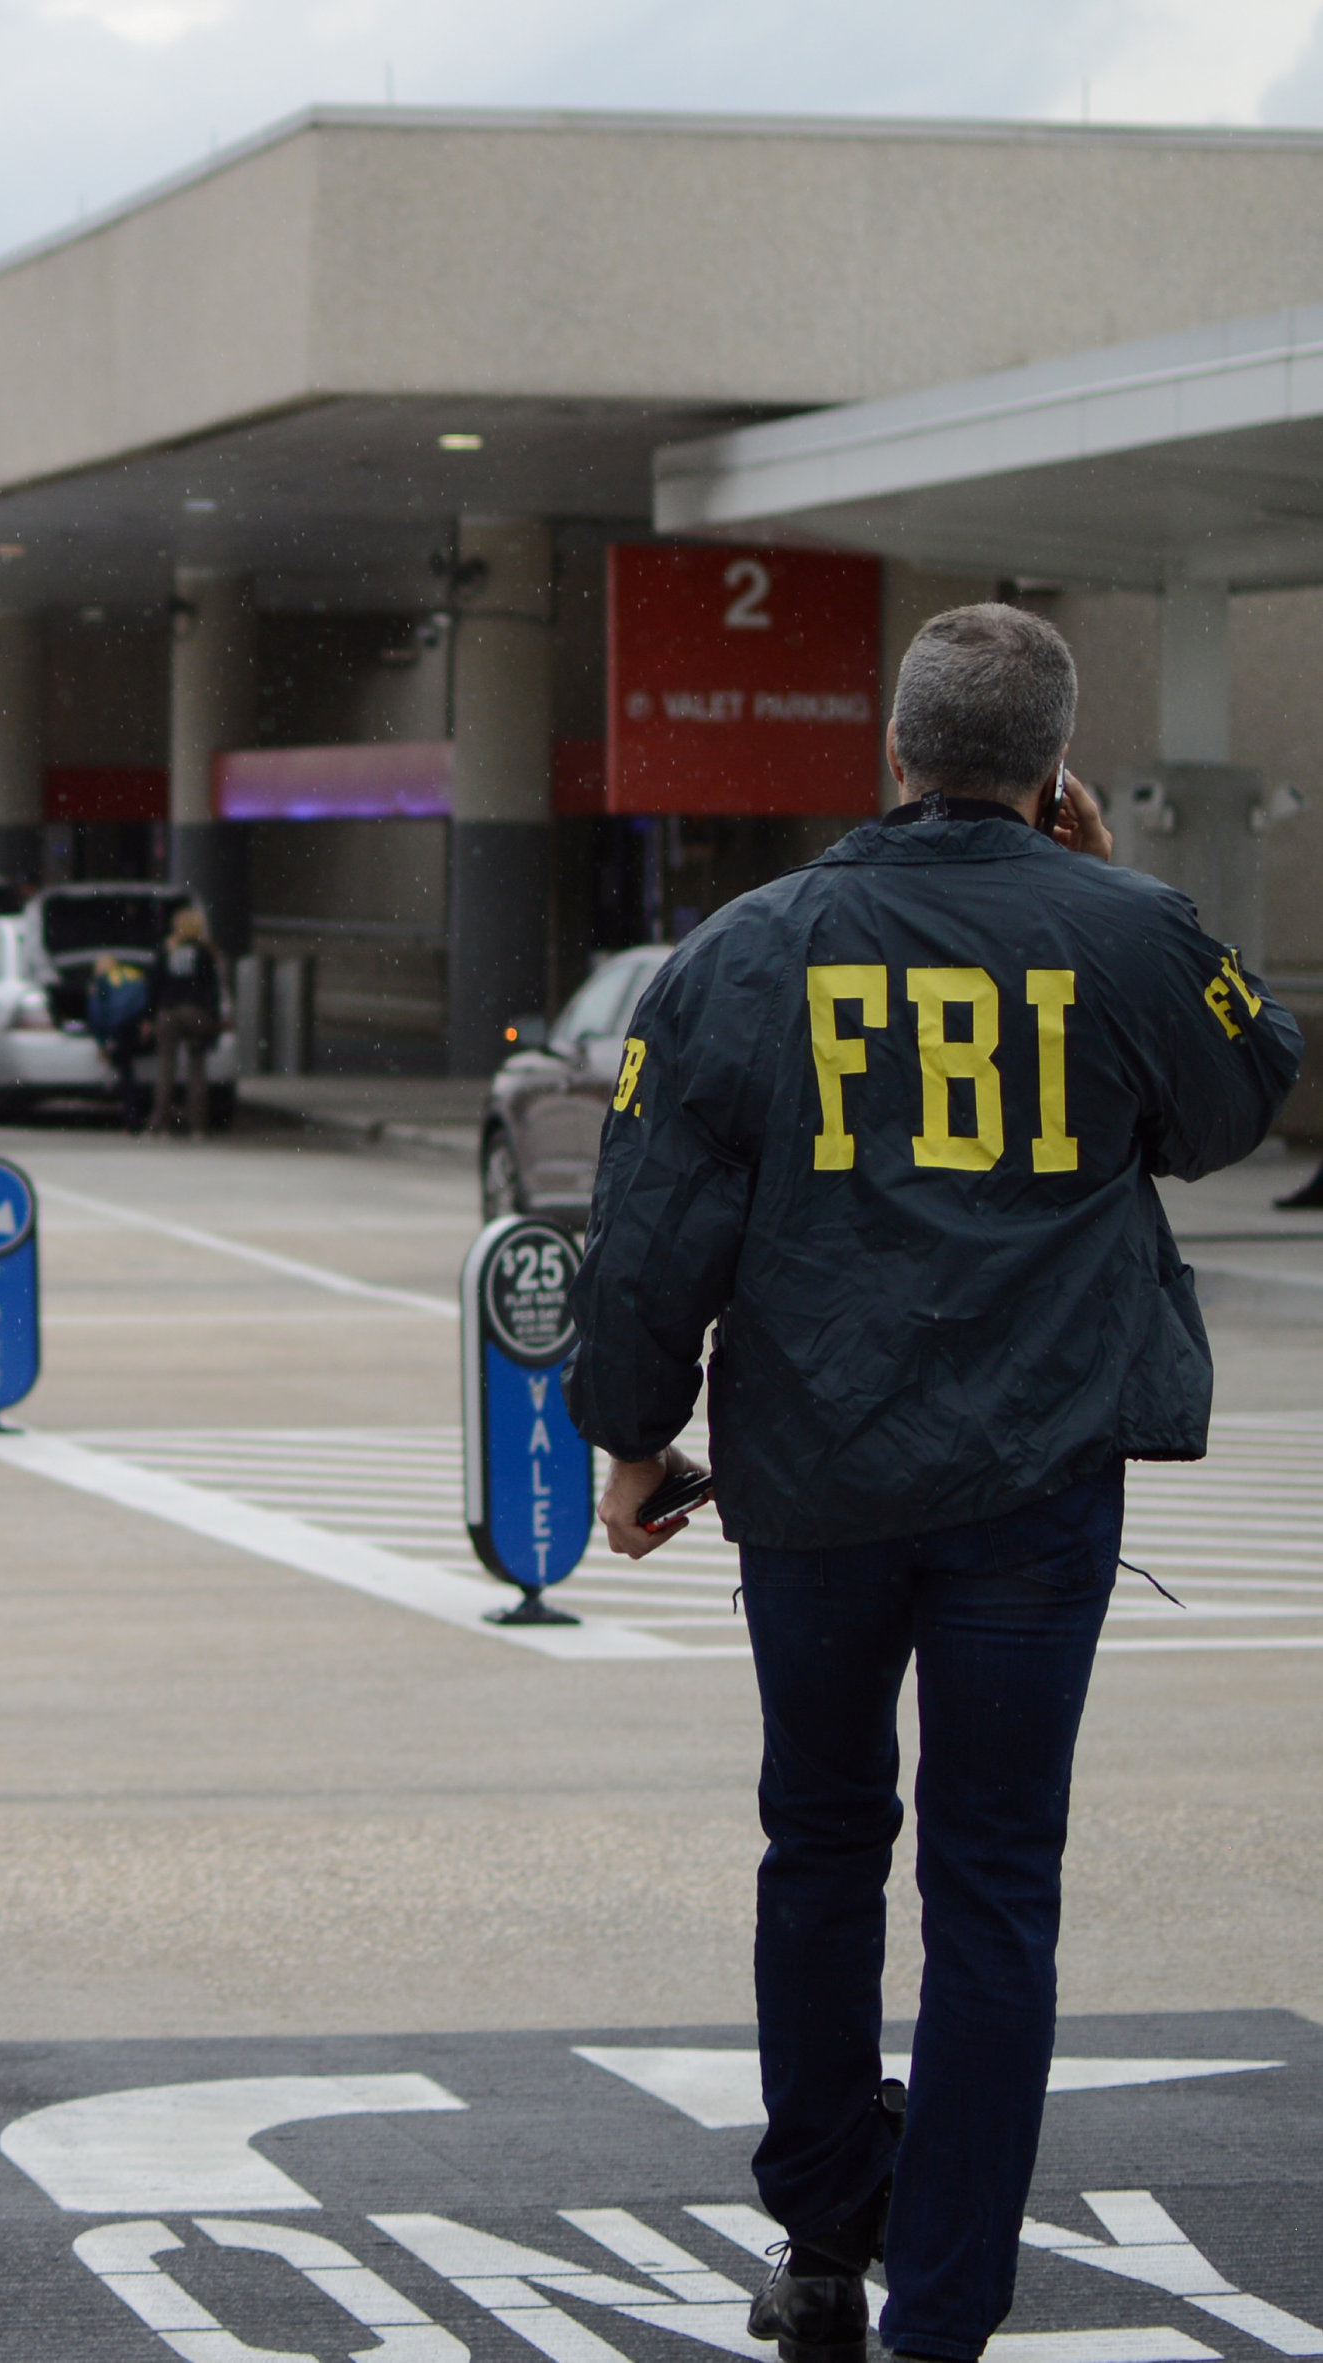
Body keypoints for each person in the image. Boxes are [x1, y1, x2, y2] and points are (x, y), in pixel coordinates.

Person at [567, 605, 1300, 2363]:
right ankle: (946, 2308)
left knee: (820, 1840)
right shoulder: (1127, 932)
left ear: (891, 748)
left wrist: (631, 1433)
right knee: (993, 1882)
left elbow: (656, 1224)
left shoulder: (749, 948)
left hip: (814, 1487)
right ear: (1054, 770)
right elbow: (1238, 1100)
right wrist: (1111, 887)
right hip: (1036, 1491)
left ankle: (826, 2231)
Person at [148, 904, 227, 1135]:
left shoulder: (167, 950)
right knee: (197, 1069)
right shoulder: (206, 953)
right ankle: (198, 1126)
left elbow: (154, 986)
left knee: (165, 1069)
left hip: (168, 1013)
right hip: (196, 1013)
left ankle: (160, 1124)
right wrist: (214, 1020)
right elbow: (213, 989)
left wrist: (151, 1015)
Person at [81, 952, 154, 1133]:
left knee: (126, 1075)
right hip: (142, 1026)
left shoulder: (102, 981)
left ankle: (132, 1122)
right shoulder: (134, 974)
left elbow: (97, 1013)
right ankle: (148, 1114)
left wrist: (102, 1042)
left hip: (121, 1028)